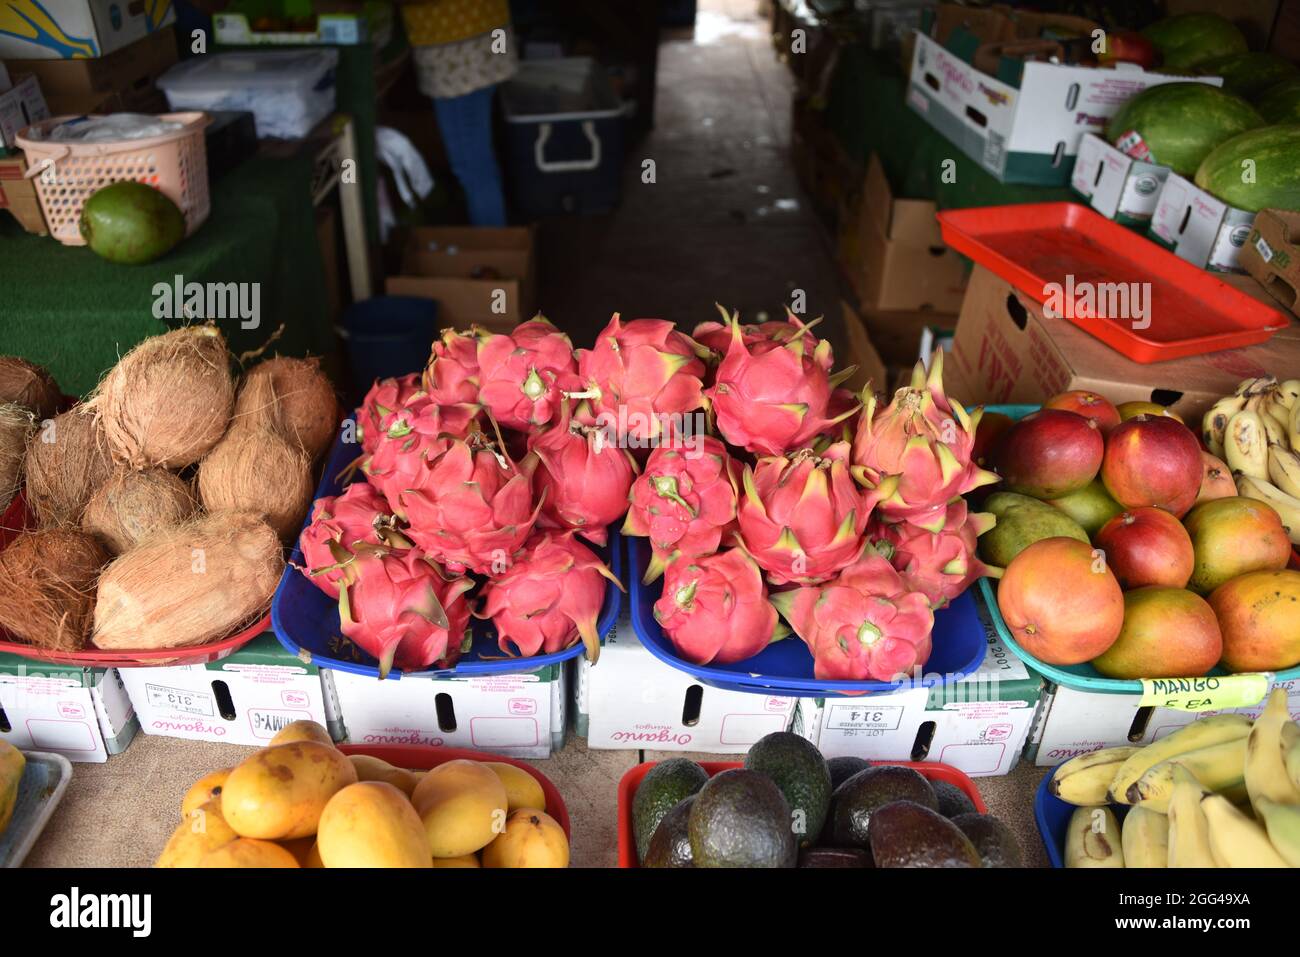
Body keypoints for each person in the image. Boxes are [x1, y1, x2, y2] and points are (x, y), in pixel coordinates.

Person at [399, 0, 517, 226]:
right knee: (481, 159)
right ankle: (500, 246)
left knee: (473, 167)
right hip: (487, 38)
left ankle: (494, 253)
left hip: (457, 56)